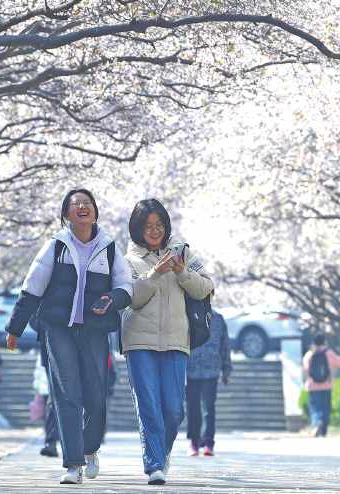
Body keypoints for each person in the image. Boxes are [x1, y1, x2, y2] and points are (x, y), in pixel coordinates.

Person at [5, 188, 132, 485]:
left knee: (96, 396)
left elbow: (126, 287)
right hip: (57, 327)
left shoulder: (109, 247)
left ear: (96, 212)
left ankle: (90, 448)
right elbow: (32, 286)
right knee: (66, 394)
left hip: (94, 331)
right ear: (66, 214)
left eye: (87, 203)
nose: (82, 207)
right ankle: (73, 464)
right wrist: (14, 328)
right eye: (76, 204)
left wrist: (111, 299)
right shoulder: (56, 246)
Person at [121, 198, 214, 485]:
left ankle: (162, 453)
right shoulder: (125, 260)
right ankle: (153, 465)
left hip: (176, 341)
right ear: (137, 228)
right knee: (148, 404)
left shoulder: (183, 254)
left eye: (159, 225)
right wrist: (155, 273)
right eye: (148, 225)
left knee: (174, 408)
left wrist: (180, 272)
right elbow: (131, 298)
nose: (154, 230)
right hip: (139, 342)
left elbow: (206, 288)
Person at [185, 307, 232, 457]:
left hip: (211, 369)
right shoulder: (187, 314)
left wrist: (226, 369)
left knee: (208, 408)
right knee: (192, 408)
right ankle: (194, 441)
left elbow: (224, 344)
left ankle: (209, 442)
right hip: (190, 368)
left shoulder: (218, 318)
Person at [302, 332, 340, 437]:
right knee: (326, 408)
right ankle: (323, 429)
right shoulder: (329, 353)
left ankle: (316, 423)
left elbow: (305, 369)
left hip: (312, 386)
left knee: (315, 407)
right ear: (324, 342)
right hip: (327, 385)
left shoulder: (309, 354)